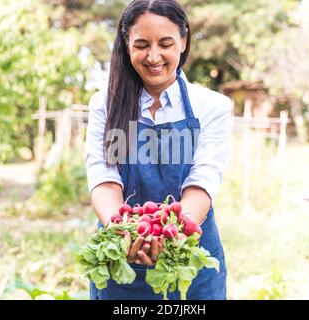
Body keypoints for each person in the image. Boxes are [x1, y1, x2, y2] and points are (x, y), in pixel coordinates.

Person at [85, 0, 232, 300]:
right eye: (141, 44)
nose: (153, 56)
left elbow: (203, 180)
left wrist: (174, 234)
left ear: (184, 40)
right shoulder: (104, 104)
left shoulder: (213, 107)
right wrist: (122, 231)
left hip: (187, 256)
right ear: (127, 45)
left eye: (165, 43)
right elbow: (103, 177)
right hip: (121, 256)